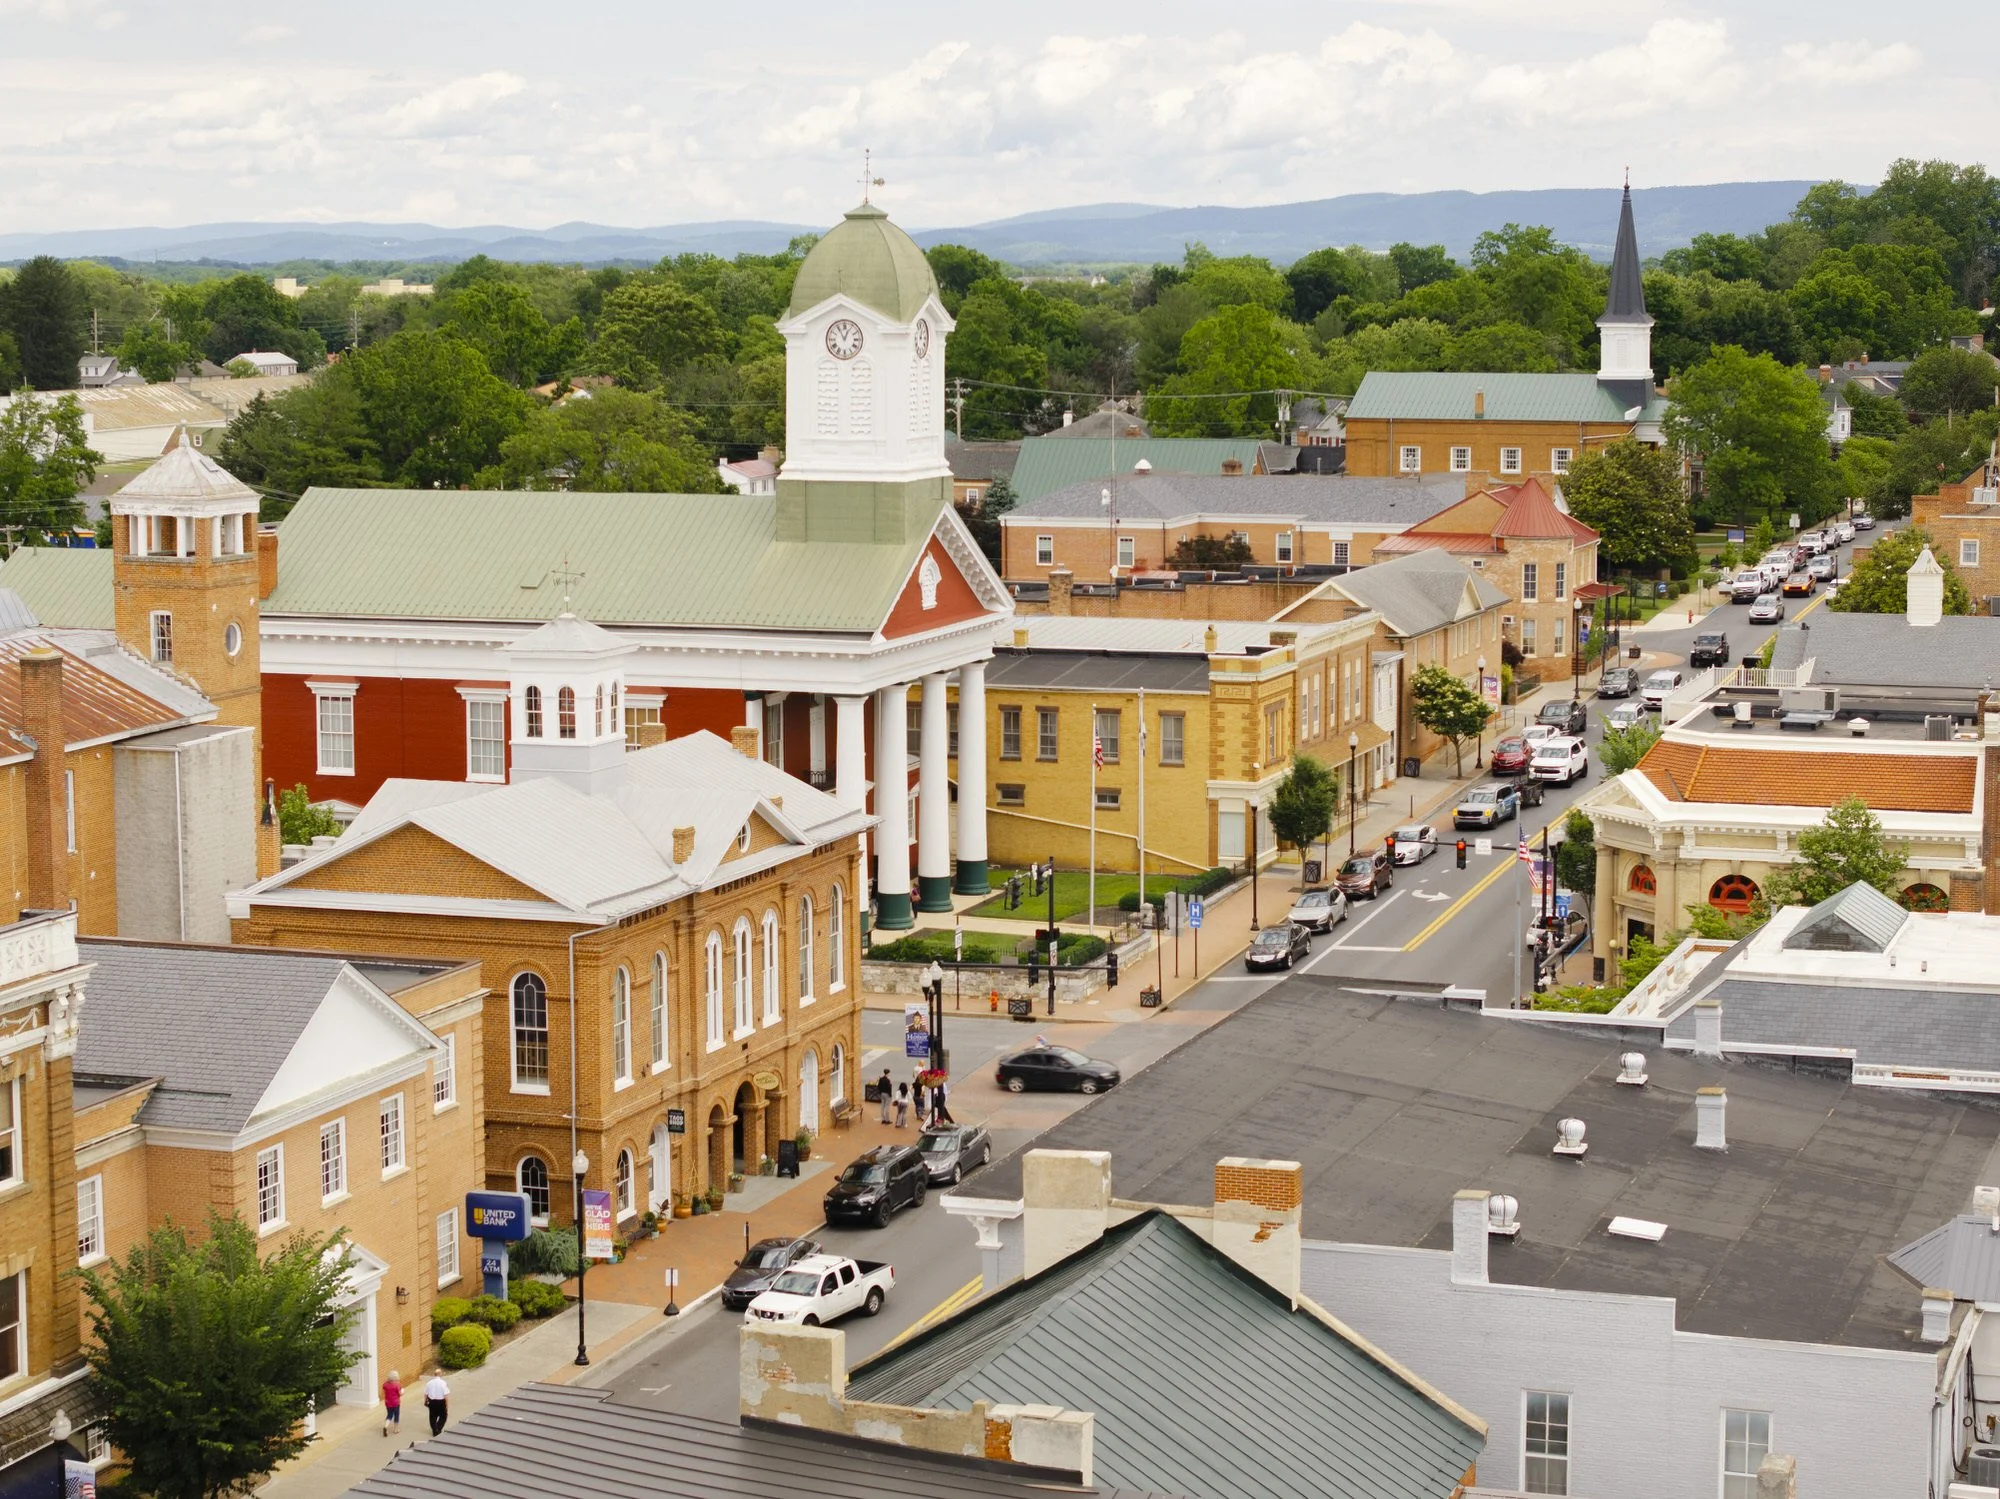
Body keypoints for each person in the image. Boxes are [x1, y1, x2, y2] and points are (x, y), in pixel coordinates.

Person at [423, 1370, 450, 1437]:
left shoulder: (429, 1383)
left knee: (432, 1416)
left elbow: (426, 1393)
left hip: (432, 1401)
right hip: (440, 1402)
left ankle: (434, 1430)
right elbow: (446, 1395)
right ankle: (438, 1428)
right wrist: (447, 1404)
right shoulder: (443, 1383)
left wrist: (425, 1401)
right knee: (443, 1416)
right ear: (439, 1374)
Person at [381, 1370, 402, 1437]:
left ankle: (385, 1426)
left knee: (389, 1415)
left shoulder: (385, 1385)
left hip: (388, 1402)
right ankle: (396, 1429)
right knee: (396, 1415)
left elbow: (384, 1389)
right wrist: (403, 1391)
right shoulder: (396, 1385)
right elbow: (400, 1393)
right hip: (395, 1403)